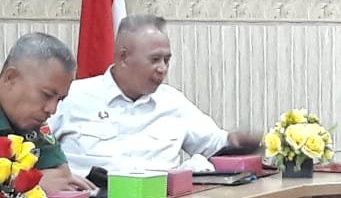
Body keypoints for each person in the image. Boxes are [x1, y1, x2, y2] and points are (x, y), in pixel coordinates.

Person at [49, 15, 260, 176]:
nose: (162, 68)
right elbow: (35, 149)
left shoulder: (173, 102)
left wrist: (237, 141)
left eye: (167, 60)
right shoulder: (73, 96)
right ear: (124, 57)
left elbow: (214, 145)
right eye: (155, 59)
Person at [0, 33, 95, 193]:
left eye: (59, 99)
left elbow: (61, 174)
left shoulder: (32, 124)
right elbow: (46, 181)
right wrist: (30, 184)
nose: (52, 109)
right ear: (11, 78)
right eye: (46, 95)